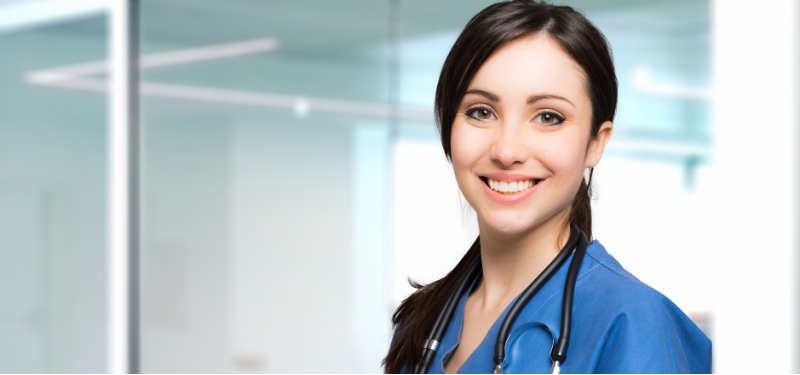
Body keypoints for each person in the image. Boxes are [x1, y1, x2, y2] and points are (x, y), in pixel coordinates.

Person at [383, 1, 712, 373]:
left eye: (548, 117)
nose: (506, 151)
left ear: (596, 142)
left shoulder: (631, 321)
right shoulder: (420, 323)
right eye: (481, 112)